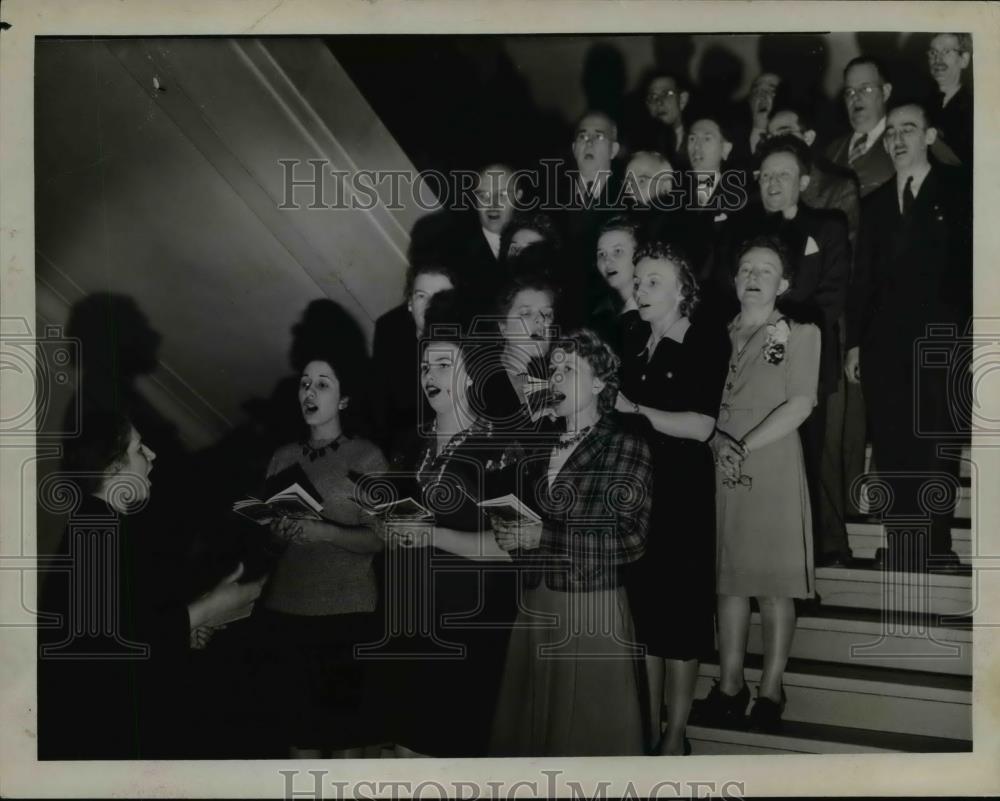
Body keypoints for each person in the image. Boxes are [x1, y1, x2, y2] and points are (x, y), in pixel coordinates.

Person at [38, 411, 266, 759]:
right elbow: (102, 655)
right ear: (114, 469)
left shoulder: (103, 527)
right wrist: (205, 610)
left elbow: (129, 634)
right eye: (140, 449)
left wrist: (186, 628)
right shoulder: (96, 530)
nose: (153, 456)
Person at [490, 329, 653, 756]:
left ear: (599, 383)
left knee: (590, 743)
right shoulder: (541, 447)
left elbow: (631, 539)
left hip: (591, 605)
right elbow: (534, 527)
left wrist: (544, 534)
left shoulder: (624, 443)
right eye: (555, 369)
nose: (557, 378)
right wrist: (514, 535)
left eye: (570, 370)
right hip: (537, 604)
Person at [372, 320, 524, 757]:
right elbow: (394, 519)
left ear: (472, 375)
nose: (430, 376)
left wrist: (432, 536)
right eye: (425, 367)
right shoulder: (409, 444)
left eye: (443, 364)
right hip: (406, 620)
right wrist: (388, 528)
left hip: (465, 627)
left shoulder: (499, 449)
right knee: (399, 752)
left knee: (438, 757)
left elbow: (509, 547)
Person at [693, 235, 820, 733]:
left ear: (783, 284)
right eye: (746, 268)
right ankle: (729, 683)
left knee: (771, 584)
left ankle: (770, 687)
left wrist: (741, 445)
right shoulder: (714, 333)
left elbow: (801, 404)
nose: (753, 276)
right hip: (720, 460)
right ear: (733, 279)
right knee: (729, 580)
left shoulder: (798, 331)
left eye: (765, 270)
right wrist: (717, 445)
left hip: (769, 459)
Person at [846, 99, 971, 573]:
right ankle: (901, 543)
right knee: (894, 446)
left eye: (909, 129)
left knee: (935, 442)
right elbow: (863, 280)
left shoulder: (958, 190)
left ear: (930, 136)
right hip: (884, 344)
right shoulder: (874, 202)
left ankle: (936, 547)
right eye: (892, 131)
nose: (897, 140)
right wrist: (856, 343)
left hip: (940, 339)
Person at [616, 242, 730, 755]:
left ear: (683, 290)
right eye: (638, 280)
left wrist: (635, 411)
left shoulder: (705, 339)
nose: (641, 288)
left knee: (681, 618)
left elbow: (702, 424)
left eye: (653, 280)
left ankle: (675, 734)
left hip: (681, 491)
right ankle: (645, 725)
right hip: (635, 491)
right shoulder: (632, 338)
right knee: (643, 613)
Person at [255, 346, 389, 758]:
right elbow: (269, 543)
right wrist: (278, 531)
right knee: (300, 744)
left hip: (346, 614)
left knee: (344, 748)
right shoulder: (282, 456)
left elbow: (380, 537)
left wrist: (324, 531)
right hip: (286, 610)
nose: (309, 392)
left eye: (322, 384)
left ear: (344, 399)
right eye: (305, 383)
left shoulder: (367, 455)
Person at [725, 135, 852, 566]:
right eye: (766, 175)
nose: (773, 182)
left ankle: (822, 552)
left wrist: (784, 325)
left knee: (813, 458)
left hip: (808, 362)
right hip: (753, 370)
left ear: (803, 180)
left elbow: (833, 296)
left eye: (783, 174)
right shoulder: (745, 231)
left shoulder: (829, 226)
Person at [370, 263, 458, 454]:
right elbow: (379, 407)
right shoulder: (389, 331)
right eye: (421, 296)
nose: (429, 306)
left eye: (440, 296)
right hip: (402, 447)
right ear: (410, 302)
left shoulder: (468, 343)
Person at [767, 94, 861, 247]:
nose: (776, 144)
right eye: (770, 138)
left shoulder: (839, 189)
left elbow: (845, 256)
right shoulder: (763, 190)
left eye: (784, 134)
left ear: (808, 138)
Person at [825, 56, 896, 198]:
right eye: (849, 92)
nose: (855, 97)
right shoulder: (832, 151)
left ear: (885, 92)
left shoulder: (900, 142)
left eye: (866, 89)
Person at [590, 215, 645, 356]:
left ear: (639, 255)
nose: (607, 261)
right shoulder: (601, 317)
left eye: (618, 251)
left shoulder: (656, 312)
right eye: (601, 254)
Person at [926, 33, 973, 167]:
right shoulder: (924, 104)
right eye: (933, 52)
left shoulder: (975, 107)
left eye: (946, 52)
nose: (937, 59)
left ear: (964, 60)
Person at [635, 70, 691, 168]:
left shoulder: (697, 138)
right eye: (652, 96)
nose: (659, 102)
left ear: (682, 100)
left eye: (667, 94)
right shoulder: (639, 145)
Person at [732, 72, 782, 167]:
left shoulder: (795, 136)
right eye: (756, 91)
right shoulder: (734, 139)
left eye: (772, 90)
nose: (762, 95)